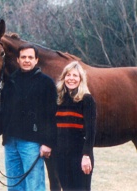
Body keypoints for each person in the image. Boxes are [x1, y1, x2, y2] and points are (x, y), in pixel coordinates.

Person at [0, 44, 57, 191]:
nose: (26, 60)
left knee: (34, 185)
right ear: (18, 60)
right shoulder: (10, 83)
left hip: (33, 144)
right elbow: (4, 113)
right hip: (11, 143)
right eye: (23, 57)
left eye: (30, 57)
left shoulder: (46, 83)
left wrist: (47, 143)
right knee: (14, 186)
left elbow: (51, 116)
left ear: (36, 60)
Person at [55, 61, 96, 191]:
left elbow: (91, 131)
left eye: (75, 76)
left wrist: (86, 155)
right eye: (68, 75)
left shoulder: (87, 99)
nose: (71, 78)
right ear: (63, 78)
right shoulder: (59, 100)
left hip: (80, 155)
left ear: (80, 79)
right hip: (61, 155)